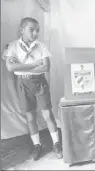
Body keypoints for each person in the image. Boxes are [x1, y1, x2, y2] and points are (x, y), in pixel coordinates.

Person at [2, 17, 63, 161]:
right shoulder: (12, 47)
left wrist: (21, 65)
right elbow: (10, 67)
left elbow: (46, 67)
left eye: (38, 30)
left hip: (39, 82)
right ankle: (37, 145)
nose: (35, 33)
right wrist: (35, 64)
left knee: (48, 114)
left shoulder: (41, 46)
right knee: (30, 117)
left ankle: (57, 143)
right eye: (31, 30)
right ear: (21, 29)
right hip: (23, 83)